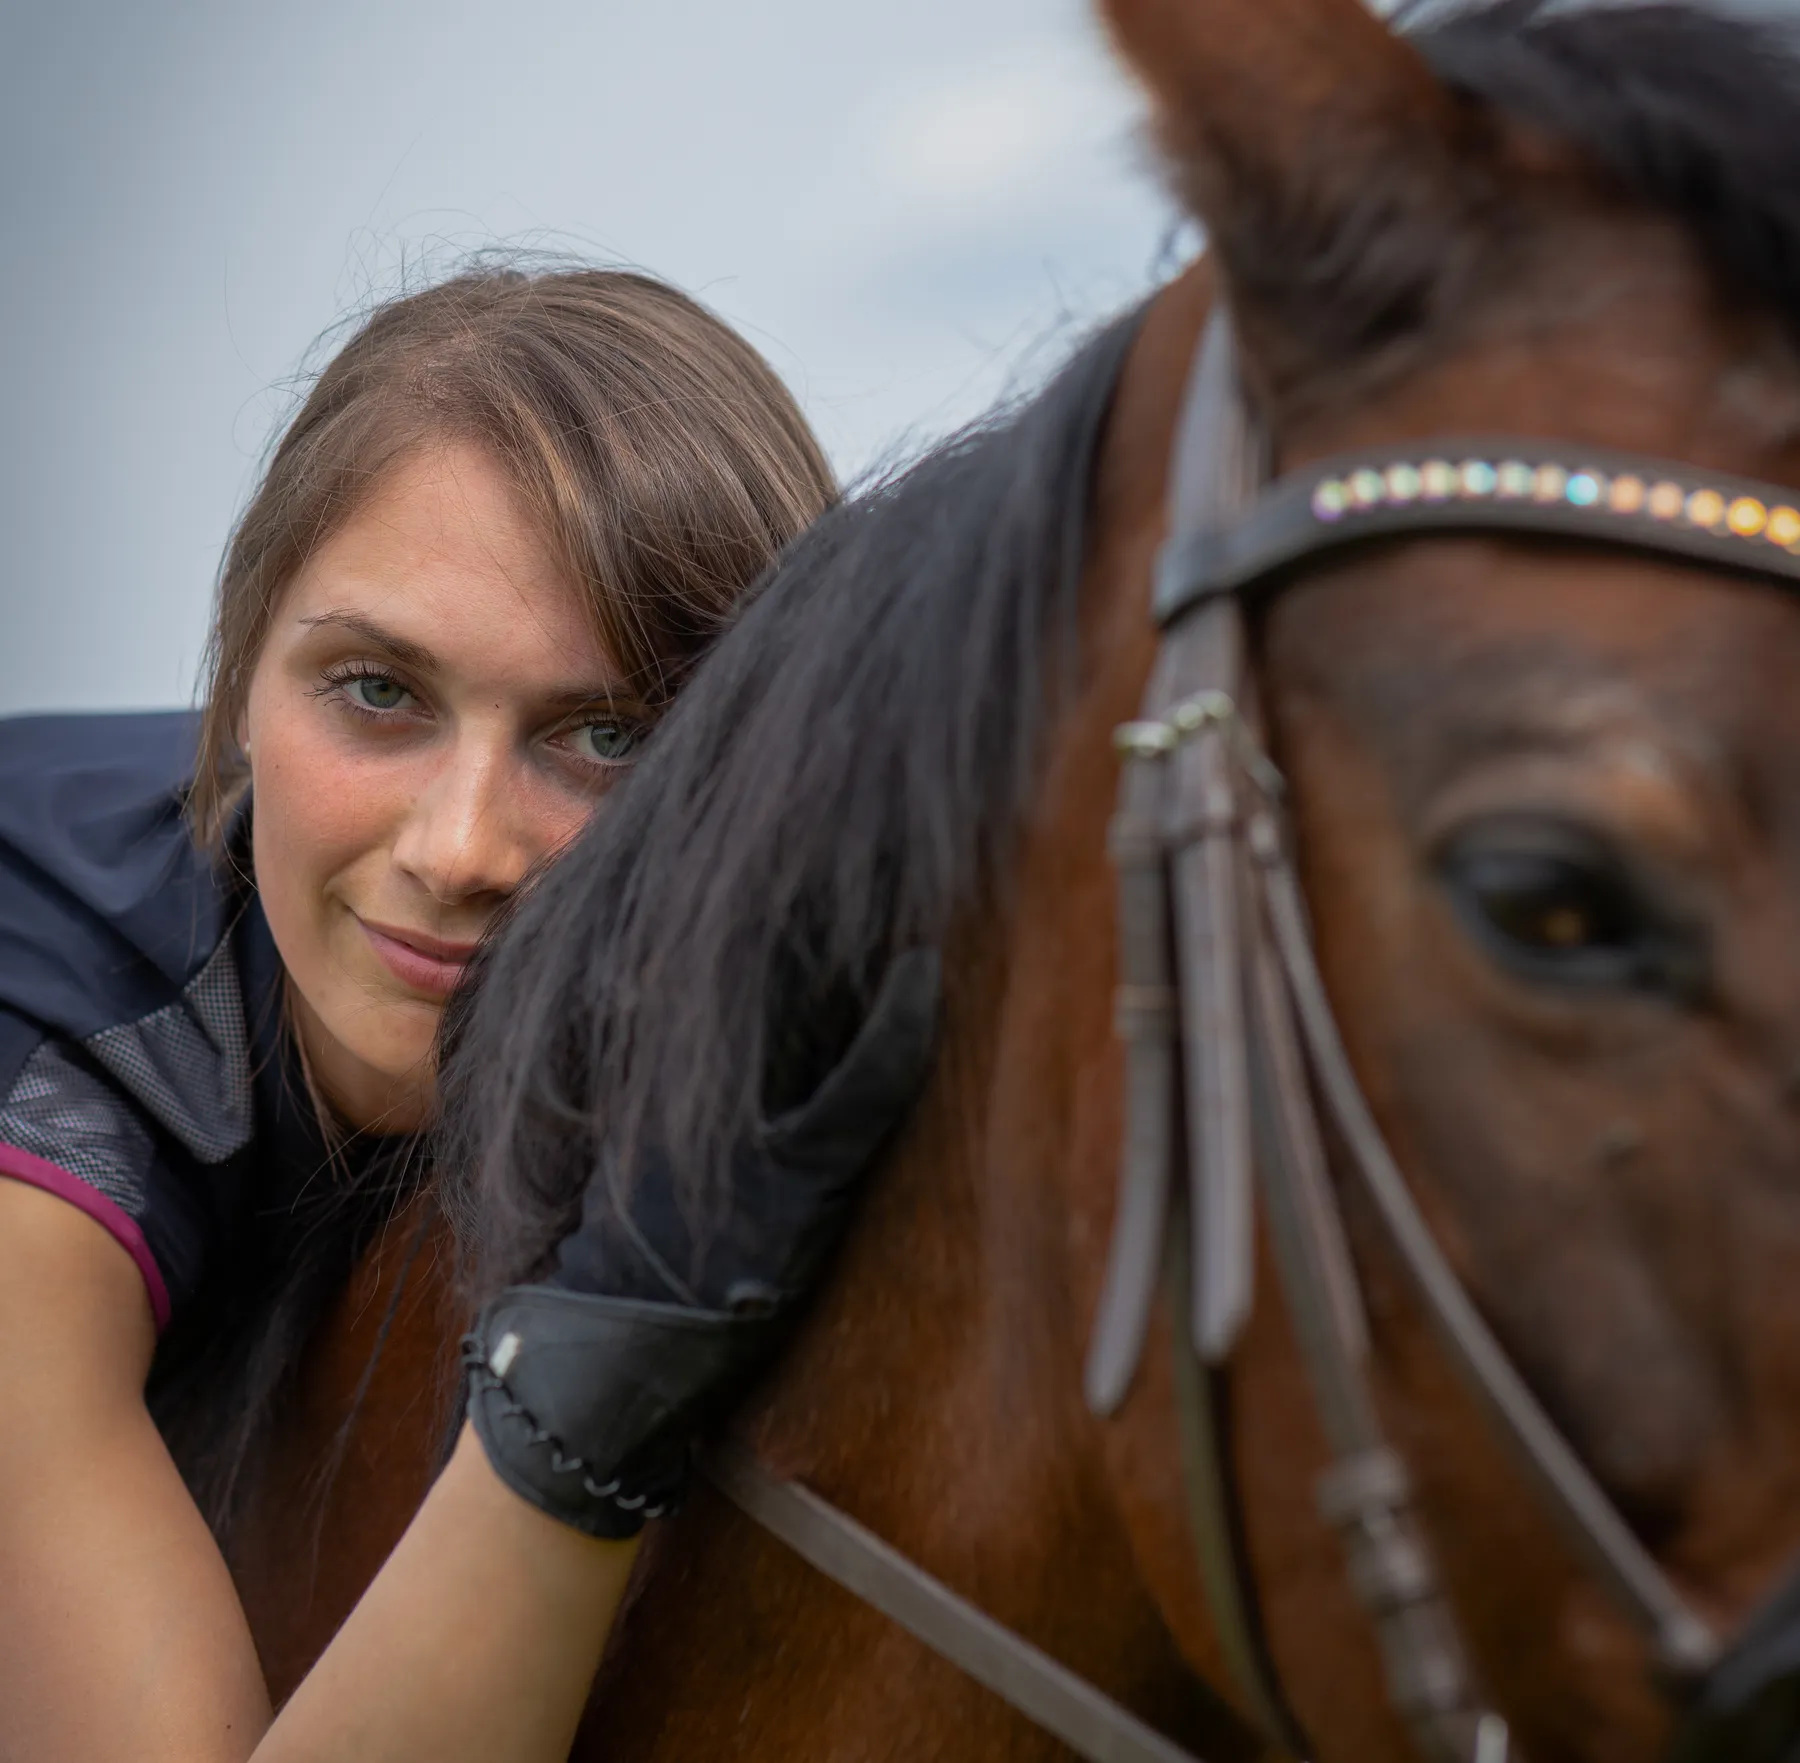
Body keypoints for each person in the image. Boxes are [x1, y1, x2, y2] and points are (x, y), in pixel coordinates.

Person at [0, 263, 928, 1763]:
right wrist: (593, 1394)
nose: (462, 847)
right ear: (242, 677)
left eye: (609, 734)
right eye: (377, 691)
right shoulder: (44, 1043)